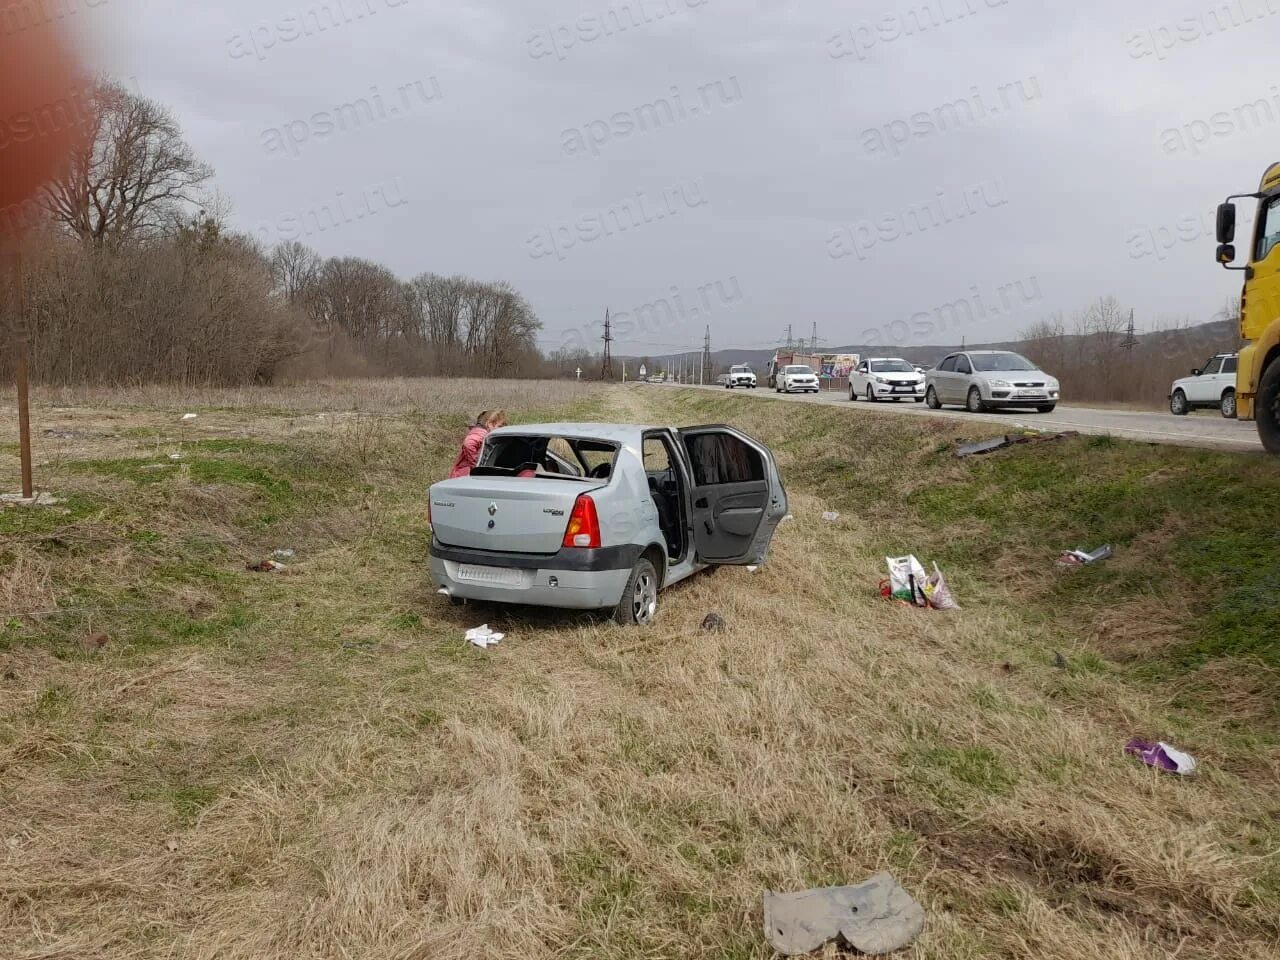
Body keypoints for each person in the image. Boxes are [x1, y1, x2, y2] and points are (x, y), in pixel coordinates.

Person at [448, 410, 493, 479]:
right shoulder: (481, 433)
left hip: (462, 474)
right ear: (489, 423)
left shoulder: (478, 432)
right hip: (465, 475)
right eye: (499, 425)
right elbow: (468, 444)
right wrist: (475, 464)